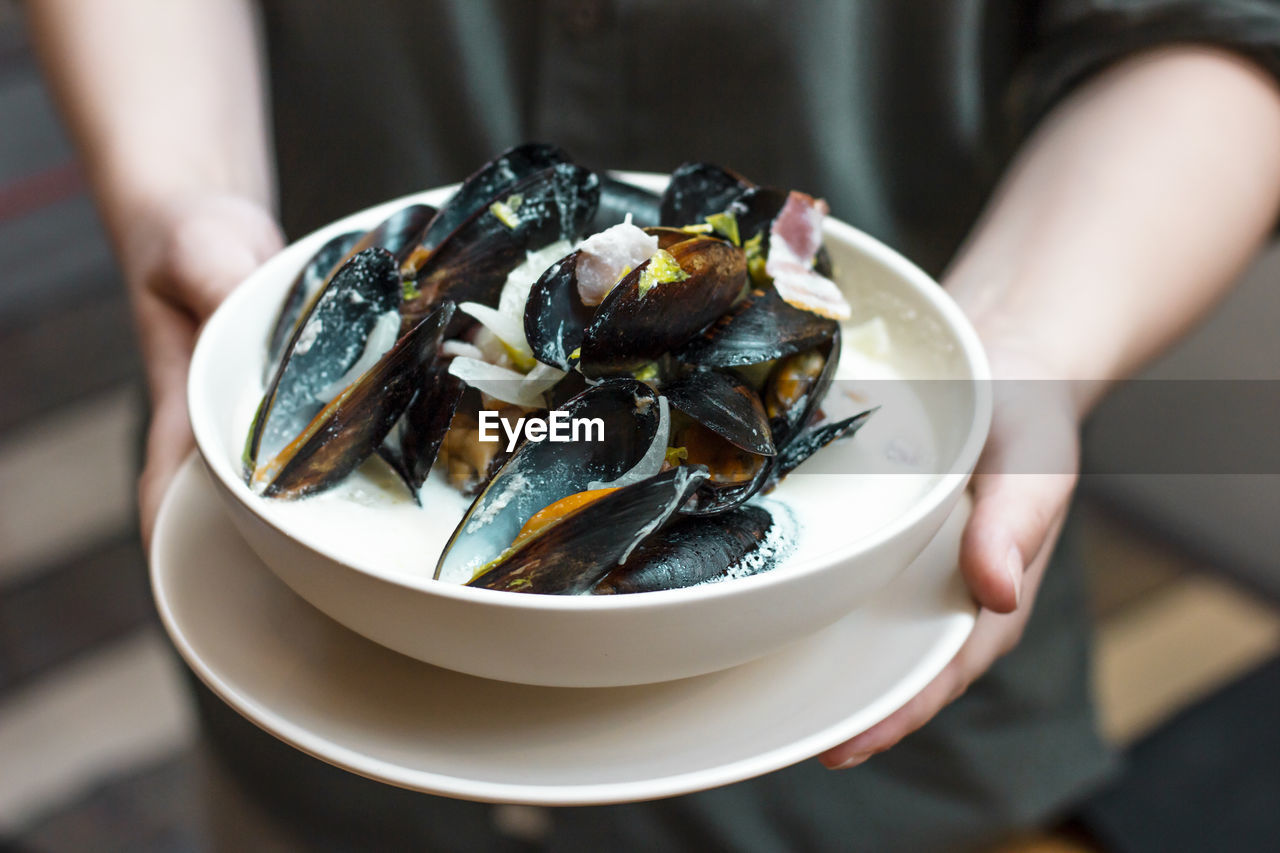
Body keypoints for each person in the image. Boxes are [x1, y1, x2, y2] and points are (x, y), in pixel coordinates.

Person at [28, 1, 1280, 849]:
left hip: (863, 710)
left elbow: (1214, 26)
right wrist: (182, 200)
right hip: (324, 666)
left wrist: (1028, 343)